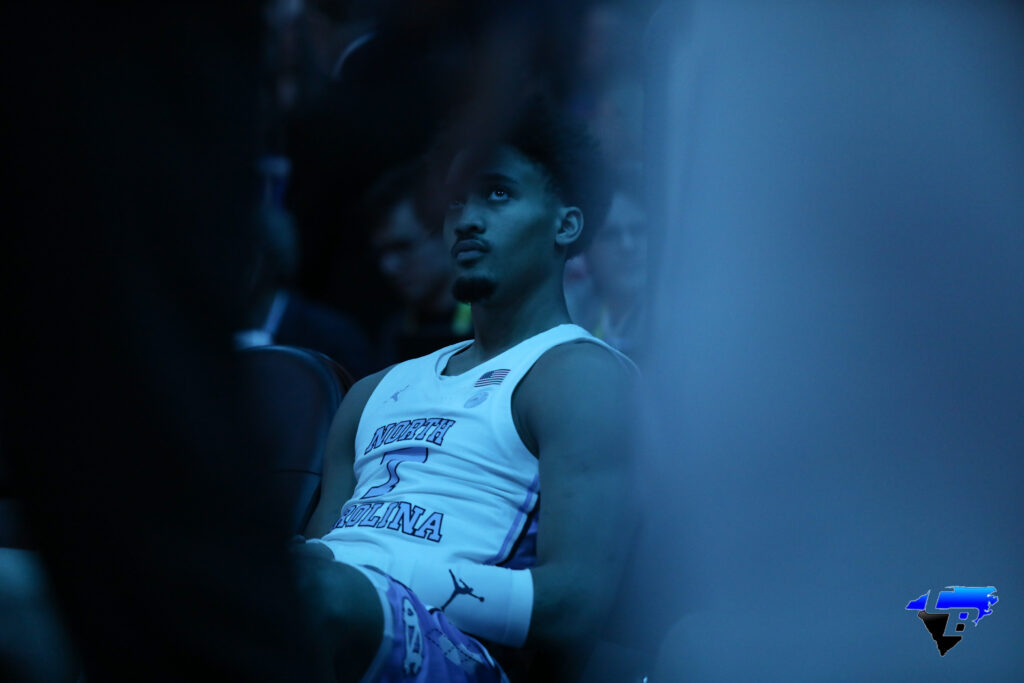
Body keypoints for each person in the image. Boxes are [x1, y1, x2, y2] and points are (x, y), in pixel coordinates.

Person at [295, 98, 638, 682]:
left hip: (461, 651)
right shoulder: (373, 392)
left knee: (312, 591)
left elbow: (577, 606)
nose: (466, 220)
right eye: (456, 200)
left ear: (566, 225)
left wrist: (377, 570)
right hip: (341, 618)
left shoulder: (578, 375)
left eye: (497, 193)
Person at [366, 162, 473, 366]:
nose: (388, 266)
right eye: (381, 252)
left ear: (448, 230)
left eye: (403, 247)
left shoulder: (496, 324)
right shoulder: (391, 334)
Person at [567, 186, 648, 362]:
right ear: (585, 250)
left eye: (638, 230)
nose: (628, 246)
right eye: (610, 235)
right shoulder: (569, 311)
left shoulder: (679, 313)